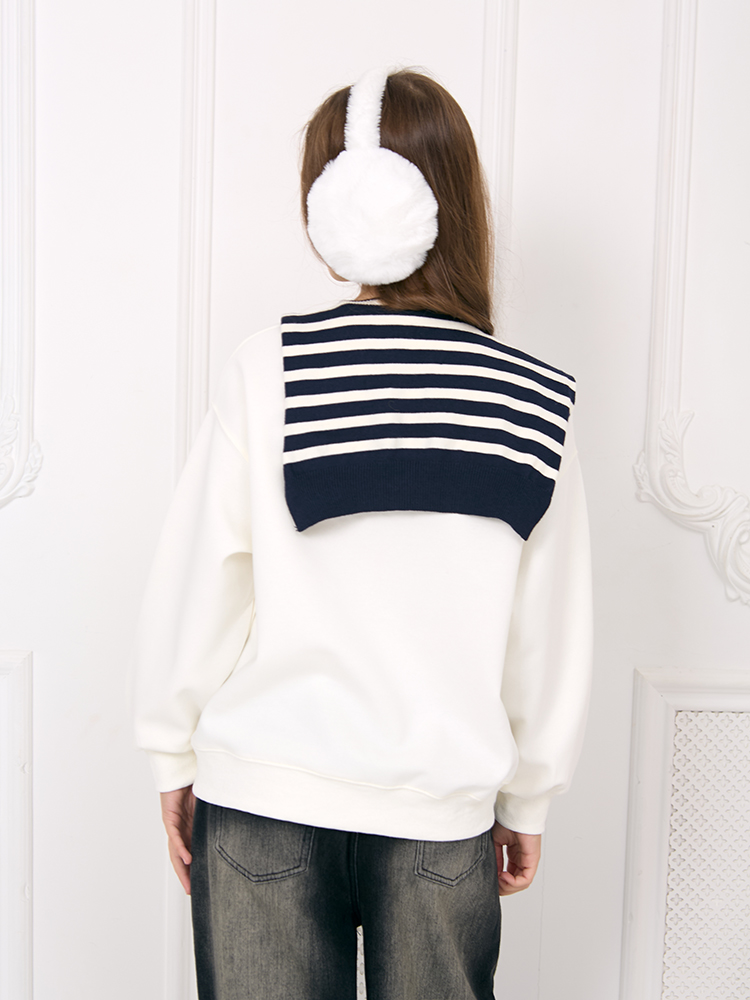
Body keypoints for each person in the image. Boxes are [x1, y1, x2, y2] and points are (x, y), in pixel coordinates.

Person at [133, 67, 593, 1000]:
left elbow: (203, 580)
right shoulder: (532, 398)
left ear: (328, 206)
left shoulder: (269, 368)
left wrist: (170, 747)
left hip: (264, 793)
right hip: (440, 810)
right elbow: (548, 631)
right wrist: (529, 796)